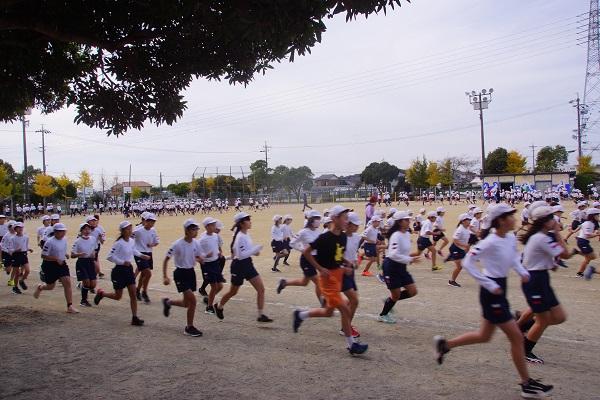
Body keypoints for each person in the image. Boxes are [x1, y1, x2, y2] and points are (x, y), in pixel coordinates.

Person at [433, 204, 553, 399]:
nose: (514, 219)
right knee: (516, 338)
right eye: (510, 216)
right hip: (492, 292)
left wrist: (522, 272)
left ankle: (445, 345)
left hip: (499, 288)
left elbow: (513, 258)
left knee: (484, 335)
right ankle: (526, 384)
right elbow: (468, 262)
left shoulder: (509, 237)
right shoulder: (489, 241)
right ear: (501, 220)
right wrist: (488, 284)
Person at [292, 205, 368, 356]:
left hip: (337, 276)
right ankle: (352, 345)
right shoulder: (324, 237)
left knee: (328, 312)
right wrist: (320, 268)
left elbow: (337, 256)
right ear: (334, 218)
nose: (346, 221)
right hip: (327, 280)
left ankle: (300, 315)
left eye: (347, 219)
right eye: (344, 218)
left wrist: (346, 263)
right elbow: (307, 252)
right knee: (345, 308)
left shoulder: (343, 237)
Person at [518, 205, 569, 364]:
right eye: (552, 218)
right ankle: (525, 350)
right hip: (535, 280)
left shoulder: (541, 237)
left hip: (541, 278)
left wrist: (551, 263)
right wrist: (558, 232)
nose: (555, 220)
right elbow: (565, 254)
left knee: (559, 317)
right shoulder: (541, 238)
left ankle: (522, 327)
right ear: (545, 221)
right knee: (544, 320)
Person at [213, 212, 273, 323]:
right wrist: (255, 250)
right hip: (238, 266)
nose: (250, 221)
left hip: (248, 264)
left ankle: (260, 315)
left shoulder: (246, 235)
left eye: (249, 219)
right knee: (233, 292)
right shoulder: (240, 237)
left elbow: (247, 250)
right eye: (247, 219)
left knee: (261, 289)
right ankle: (219, 306)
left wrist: (255, 252)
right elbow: (240, 256)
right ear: (241, 223)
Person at [94, 221, 150, 326]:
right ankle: (102, 294)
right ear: (122, 231)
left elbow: (134, 250)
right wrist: (122, 262)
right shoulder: (118, 243)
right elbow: (110, 256)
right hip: (119, 271)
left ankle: (134, 318)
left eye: (130, 228)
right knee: (118, 296)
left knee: (133, 294)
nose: (130, 231)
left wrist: (142, 256)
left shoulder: (132, 241)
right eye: (127, 229)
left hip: (128, 270)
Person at [161, 219, 204, 337]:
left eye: (196, 229)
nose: (196, 231)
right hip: (180, 274)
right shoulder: (177, 244)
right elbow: (166, 259)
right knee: (193, 301)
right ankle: (189, 327)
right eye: (193, 229)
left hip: (191, 273)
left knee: (186, 303)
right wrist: (165, 276)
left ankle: (168, 302)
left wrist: (200, 260)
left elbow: (197, 256)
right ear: (186, 230)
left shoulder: (196, 243)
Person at [377, 211, 419, 323]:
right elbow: (393, 254)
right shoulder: (396, 235)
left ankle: (389, 300)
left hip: (401, 267)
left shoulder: (406, 234)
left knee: (413, 291)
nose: (409, 221)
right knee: (396, 295)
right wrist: (409, 259)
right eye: (406, 220)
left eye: (408, 219)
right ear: (399, 222)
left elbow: (401, 251)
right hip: (391, 267)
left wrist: (409, 258)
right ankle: (383, 315)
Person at [277, 210, 323, 304]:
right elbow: (292, 243)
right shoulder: (303, 232)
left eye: (319, 218)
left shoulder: (319, 232)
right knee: (318, 282)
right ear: (310, 220)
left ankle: (284, 283)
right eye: (316, 218)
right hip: (306, 260)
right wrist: (302, 249)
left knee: (304, 282)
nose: (319, 220)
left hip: (316, 259)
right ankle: (323, 303)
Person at [33, 223, 79, 313]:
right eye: (60, 231)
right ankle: (40, 287)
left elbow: (61, 249)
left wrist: (65, 254)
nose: (63, 233)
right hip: (50, 265)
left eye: (64, 231)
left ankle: (70, 306)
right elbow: (43, 255)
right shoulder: (49, 242)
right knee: (50, 286)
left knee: (67, 282)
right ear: (55, 232)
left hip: (61, 264)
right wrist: (56, 259)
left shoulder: (64, 239)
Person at [340, 212, 362, 338]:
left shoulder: (356, 237)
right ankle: (346, 327)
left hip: (350, 271)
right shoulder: (340, 238)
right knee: (354, 300)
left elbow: (354, 252)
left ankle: (345, 325)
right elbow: (336, 256)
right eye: (355, 225)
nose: (357, 227)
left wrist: (355, 261)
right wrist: (345, 265)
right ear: (347, 224)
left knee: (352, 300)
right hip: (342, 272)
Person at [198, 217, 225, 315]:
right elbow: (197, 254)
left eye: (214, 224)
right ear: (207, 227)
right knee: (214, 286)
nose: (215, 227)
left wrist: (219, 253)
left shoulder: (215, 236)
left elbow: (215, 247)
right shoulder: (202, 239)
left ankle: (209, 299)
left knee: (220, 286)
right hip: (207, 265)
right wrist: (205, 256)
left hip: (215, 263)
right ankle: (209, 307)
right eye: (212, 225)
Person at [132, 213, 159, 304]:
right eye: (150, 221)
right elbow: (129, 238)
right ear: (145, 221)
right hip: (139, 253)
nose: (152, 223)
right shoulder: (138, 230)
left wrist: (152, 244)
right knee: (148, 273)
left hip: (148, 253)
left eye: (153, 222)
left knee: (144, 274)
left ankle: (137, 290)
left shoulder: (153, 230)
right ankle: (144, 292)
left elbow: (156, 241)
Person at [71, 222, 98, 307]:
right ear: (81, 230)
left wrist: (93, 254)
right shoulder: (78, 241)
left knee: (92, 284)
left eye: (88, 229)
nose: (87, 231)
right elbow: (72, 255)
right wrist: (80, 254)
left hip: (90, 262)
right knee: (87, 283)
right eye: (85, 229)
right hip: (82, 263)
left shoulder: (93, 239)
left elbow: (94, 249)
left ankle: (81, 285)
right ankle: (83, 300)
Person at [447, 214, 472, 288]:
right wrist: (465, 246)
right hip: (455, 248)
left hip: (460, 249)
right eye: (468, 220)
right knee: (459, 267)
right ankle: (451, 281)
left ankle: (451, 257)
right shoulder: (460, 229)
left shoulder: (466, 228)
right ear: (463, 221)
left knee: (463, 263)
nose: (469, 221)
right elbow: (455, 241)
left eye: (469, 220)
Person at [575, 208, 600, 278]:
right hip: (583, 241)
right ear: (593, 216)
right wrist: (597, 234)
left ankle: (580, 273)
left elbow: (583, 229)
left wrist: (596, 233)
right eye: (597, 215)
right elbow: (588, 235)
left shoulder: (591, 223)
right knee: (592, 256)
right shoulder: (588, 224)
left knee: (588, 259)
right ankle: (576, 252)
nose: (598, 216)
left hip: (584, 241)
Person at [10, 222, 33, 293]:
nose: (20, 229)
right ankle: (15, 287)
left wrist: (28, 249)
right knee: (17, 273)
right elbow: (10, 250)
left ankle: (21, 280)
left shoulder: (26, 237)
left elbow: (25, 246)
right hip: (16, 255)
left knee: (27, 270)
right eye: (18, 227)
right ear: (15, 229)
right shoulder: (13, 238)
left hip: (23, 255)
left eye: (21, 227)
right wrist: (16, 250)